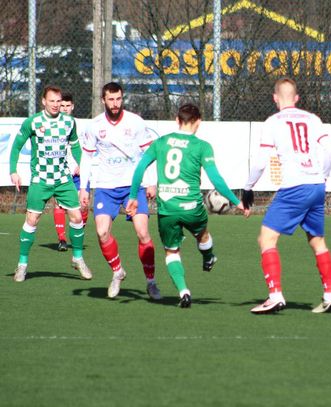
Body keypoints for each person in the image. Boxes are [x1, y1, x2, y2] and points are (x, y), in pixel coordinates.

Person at [126, 103, 248, 308]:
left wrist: (132, 196)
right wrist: (237, 202)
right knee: (202, 235)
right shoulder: (202, 146)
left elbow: (140, 168)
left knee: (172, 252)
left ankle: (183, 291)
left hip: (167, 209)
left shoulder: (160, 142)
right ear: (198, 122)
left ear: (177, 120)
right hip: (192, 207)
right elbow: (215, 178)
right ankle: (208, 257)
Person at [241, 77, 331, 314]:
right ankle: (330, 296)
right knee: (317, 240)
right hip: (317, 185)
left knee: (266, 239)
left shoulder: (272, 122)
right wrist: (323, 176)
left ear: (275, 98)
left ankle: (275, 296)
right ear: (296, 98)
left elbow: (260, 162)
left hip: (295, 187)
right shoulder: (313, 118)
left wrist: (248, 187)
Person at [79, 81, 160, 300]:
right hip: (105, 187)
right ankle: (118, 272)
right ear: (103, 100)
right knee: (102, 232)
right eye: (111, 99)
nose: (115, 103)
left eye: (118, 99)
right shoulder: (94, 126)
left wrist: (151, 181)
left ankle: (151, 282)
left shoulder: (136, 122)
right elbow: (86, 158)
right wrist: (84, 188)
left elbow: (149, 153)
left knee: (143, 233)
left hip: (133, 186)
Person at [9, 85, 92, 281]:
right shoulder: (33, 122)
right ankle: (22, 264)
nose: (56, 105)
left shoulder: (69, 122)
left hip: (63, 179)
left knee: (77, 218)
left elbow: (75, 147)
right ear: (43, 101)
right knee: (32, 220)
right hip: (41, 179)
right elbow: (16, 146)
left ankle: (78, 258)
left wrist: (83, 167)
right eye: (52, 101)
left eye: (58, 101)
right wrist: (13, 171)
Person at [52, 92, 90, 251]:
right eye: (62, 105)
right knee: (59, 205)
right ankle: (62, 239)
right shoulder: (53, 125)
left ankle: (77, 234)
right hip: (61, 172)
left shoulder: (82, 126)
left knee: (83, 206)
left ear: (72, 106)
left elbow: (89, 148)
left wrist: (83, 165)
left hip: (80, 172)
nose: (65, 108)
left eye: (68, 106)